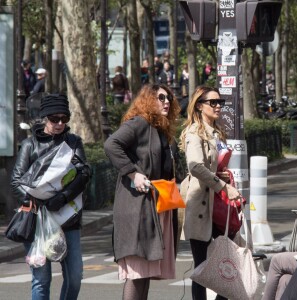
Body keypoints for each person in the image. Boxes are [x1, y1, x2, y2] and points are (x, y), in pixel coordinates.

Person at [104, 83, 181, 300]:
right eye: (161, 98)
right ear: (148, 100)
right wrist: (133, 173)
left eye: (169, 99)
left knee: (145, 272)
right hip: (138, 208)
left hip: (156, 206)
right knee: (137, 272)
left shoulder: (159, 128)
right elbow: (112, 145)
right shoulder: (139, 123)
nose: (167, 102)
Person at [10, 94, 91, 300]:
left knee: (75, 277)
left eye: (64, 119)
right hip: (36, 221)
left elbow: (84, 173)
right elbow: (16, 181)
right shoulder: (30, 144)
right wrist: (35, 202)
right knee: (41, 280)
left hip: (67, 218)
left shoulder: (73, 142)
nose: (60, 123)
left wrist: (62, 198)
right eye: (55, 119)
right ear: (45, 118)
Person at [179, 86, 241, 300]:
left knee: (226, 264)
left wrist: (222, 176)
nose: (218, 106)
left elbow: (211, 165)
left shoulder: (217, 130)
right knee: (202, 268)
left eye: (220, 103)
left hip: (220, 207)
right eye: (212, 102)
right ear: (199, 105)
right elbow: (195, 166)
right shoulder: (195, 132)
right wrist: (223, 185)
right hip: (202, 207)